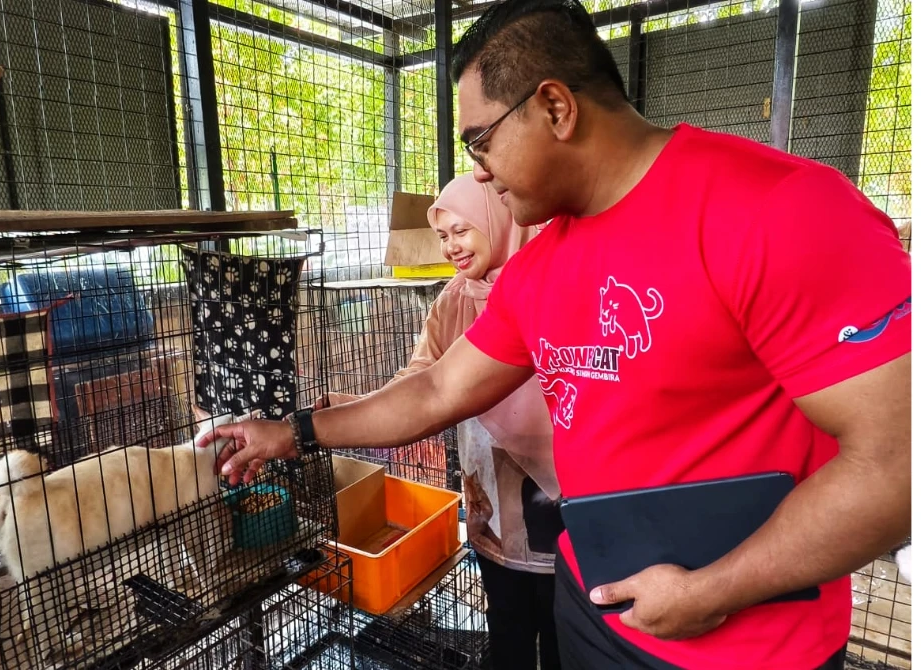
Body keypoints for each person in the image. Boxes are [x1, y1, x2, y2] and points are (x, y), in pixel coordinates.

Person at [199, 0, 912, 667]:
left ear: (555, 106)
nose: (479, 169)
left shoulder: (779, 211)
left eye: (480, 141)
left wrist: (711, 592)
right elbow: (440, 388)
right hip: (591, 595)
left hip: (744, 641)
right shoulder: (538, 269)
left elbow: (896, 467)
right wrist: (293, 430)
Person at [316, 172, 563, 670]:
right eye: (444, 234)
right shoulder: (454, 299)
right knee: (509, 625)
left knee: (561, 628)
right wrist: (353, 406)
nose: (451, 245)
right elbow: (420, 379)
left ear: (500, 219)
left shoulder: (549, 284)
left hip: (558, 495)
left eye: (463, 230)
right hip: (490, 495)